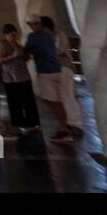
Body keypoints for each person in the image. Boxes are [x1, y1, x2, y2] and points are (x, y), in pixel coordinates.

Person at [24, 15, 73, 144]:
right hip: (57, 69)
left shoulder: (33, 36)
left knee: (53, 102)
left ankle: (63, 130)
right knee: (58, 102)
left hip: (46, 72)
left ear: (32, 24)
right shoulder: (49, 35)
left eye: (29, 24)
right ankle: (64, 128)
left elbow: (25, 52)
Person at [0, 23, 39, 133]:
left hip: (23, 76)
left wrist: (27, 55)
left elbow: (24, 57)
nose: (13, 37)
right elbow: (0, 59)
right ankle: (20, 123)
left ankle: (33, 122)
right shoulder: (2, 44)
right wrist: (13, 55)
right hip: (11, 78)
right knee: (15, 102)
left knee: (29, 100)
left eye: (15, 35)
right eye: (11, 35)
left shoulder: (18, 44)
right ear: (6, 35)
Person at [45, 17, 84, 136]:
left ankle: (75, 124)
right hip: (56, 70)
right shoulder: (50, 36)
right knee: (62, 98)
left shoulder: (59, 35)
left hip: (64, 69)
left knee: (68, 97)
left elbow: (58, 52)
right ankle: (67, 124)